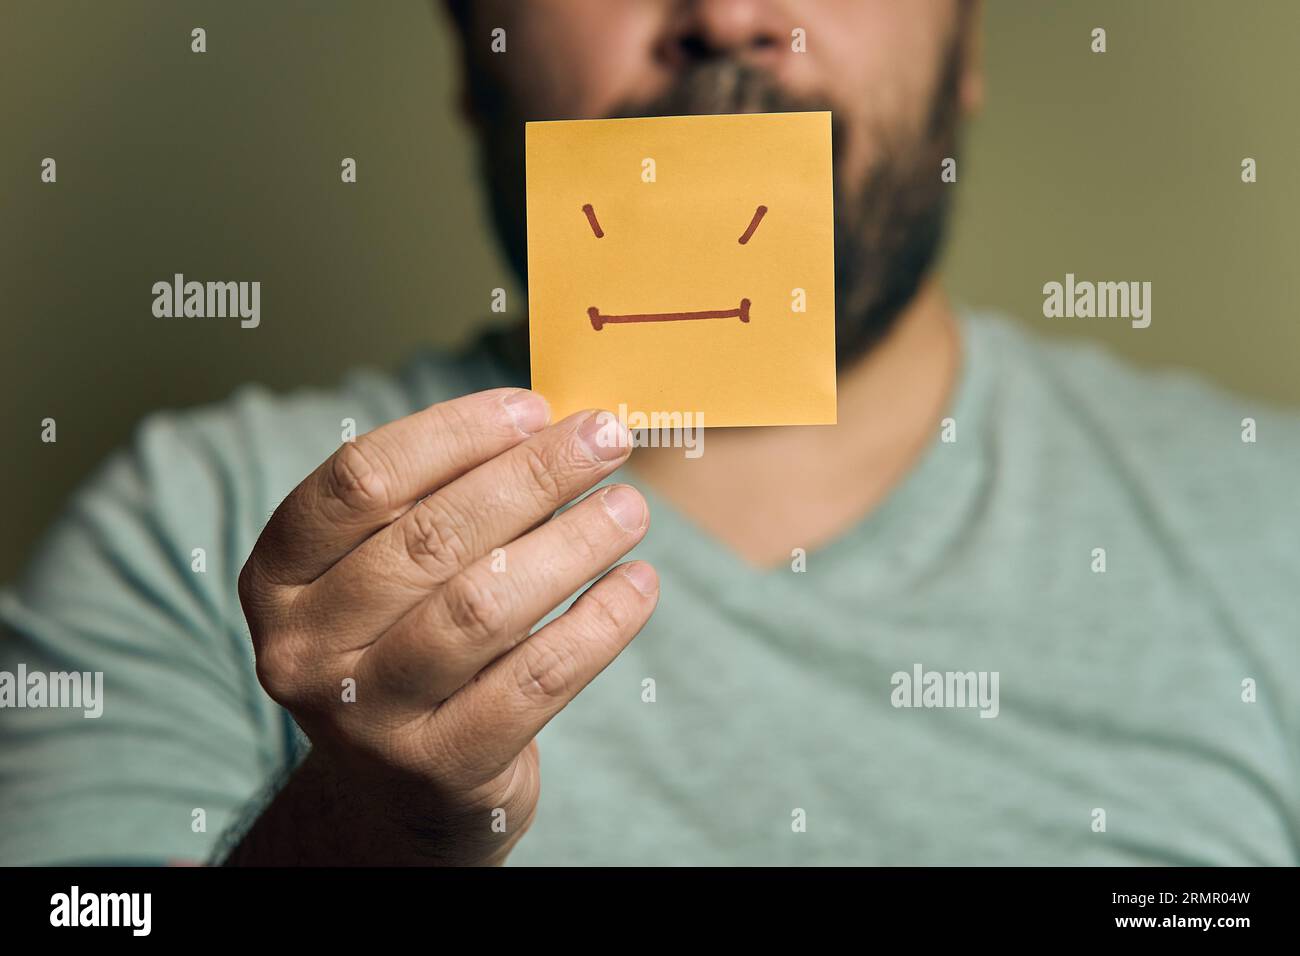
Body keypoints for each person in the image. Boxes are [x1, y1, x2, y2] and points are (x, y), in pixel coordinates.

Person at [1, 0, 1296, 866]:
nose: (726, 15)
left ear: (966, 44)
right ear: (471, 51)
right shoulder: (189, 526)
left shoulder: (1269, 524)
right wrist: (350, 843)